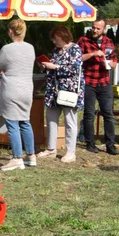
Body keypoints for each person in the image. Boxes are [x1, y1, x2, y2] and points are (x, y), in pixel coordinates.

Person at [0, 18, 36, 171]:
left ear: (11, 31)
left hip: (12, 89)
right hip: (26, 89)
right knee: (25, 121)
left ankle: (17, 157)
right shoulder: (30, 48)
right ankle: (31, 155)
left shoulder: (7, 49)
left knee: (12, 124)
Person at [39, 25, 84, 164]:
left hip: (69, 91)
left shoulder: (75, 49)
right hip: (54, 90)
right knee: (51, 117)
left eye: (56, 39)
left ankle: (71, 152)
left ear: (63, 36)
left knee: (70, 120)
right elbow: (53, 68)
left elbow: (74, 69)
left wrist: (56, 67)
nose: (54, 42)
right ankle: (51, 148)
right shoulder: (56, 51)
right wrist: (45, 66)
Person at [77, 18, 119, 155]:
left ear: (104, 29)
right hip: (89, 81)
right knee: (89, 114)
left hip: (105, 82)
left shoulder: (108, 42)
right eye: (93, 27)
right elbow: (77, 58)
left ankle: (110, 144)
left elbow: (114, 58)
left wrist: (113, 64)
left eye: (98, 28)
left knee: (108, 114)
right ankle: (90, 143)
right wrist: (93, 54)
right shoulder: (84, 41)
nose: (94, 30)